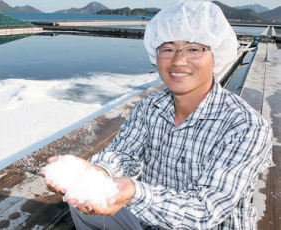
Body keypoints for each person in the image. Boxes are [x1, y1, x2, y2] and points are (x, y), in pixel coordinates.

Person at [43, 1, 273, 229]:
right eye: (168, 49)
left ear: (216, 55)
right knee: (84, 203)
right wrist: (97, 172)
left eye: (193, 49)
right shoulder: (149, 108)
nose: (178, 61)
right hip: (154, 220)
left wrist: (134, 193)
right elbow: (123, 154)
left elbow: (206, 210)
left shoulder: (246, 126)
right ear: (156, 54)